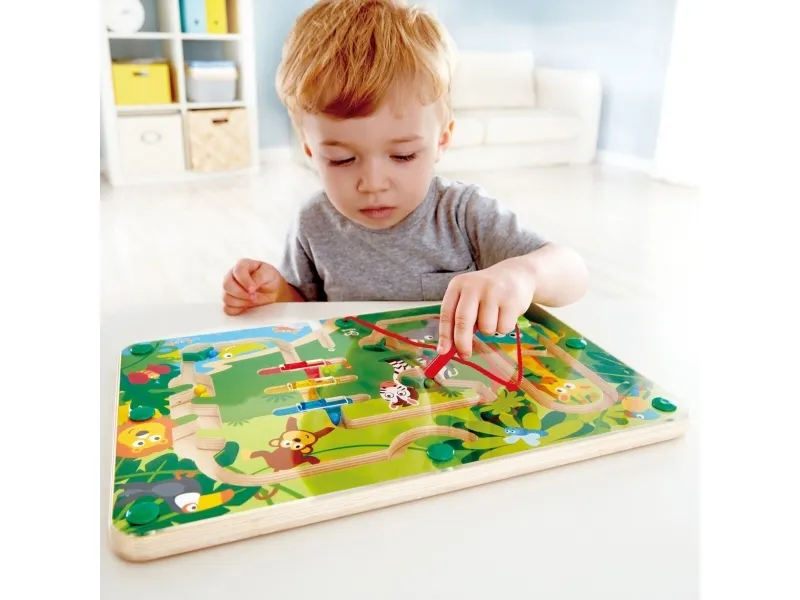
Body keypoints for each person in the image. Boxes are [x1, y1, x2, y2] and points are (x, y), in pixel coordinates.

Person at [222, 0, 588, 359]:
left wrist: (524, 274)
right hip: (357, 385)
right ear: (310, 151)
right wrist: (274, 295)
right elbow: (305, 310)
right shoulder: (312, 223)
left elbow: (573, 273)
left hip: (461, 384)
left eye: (403, 155)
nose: (373, 183)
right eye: (341, 159)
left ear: (441, 140)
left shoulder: (463, 213)